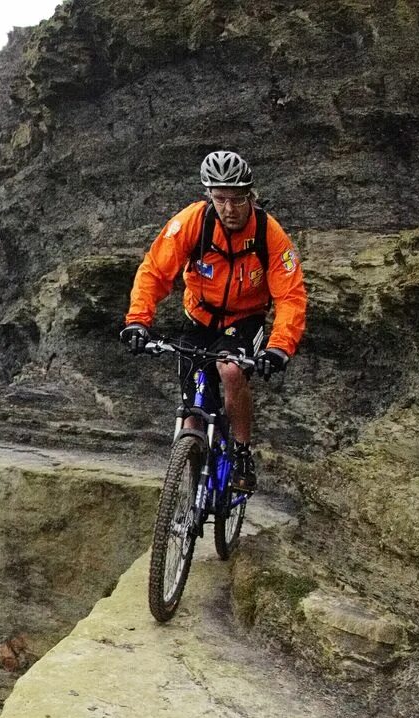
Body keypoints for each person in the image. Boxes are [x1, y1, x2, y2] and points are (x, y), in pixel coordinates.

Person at [120, 150, 307, 494]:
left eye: (237, 200)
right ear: (209, 196)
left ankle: (241, 453)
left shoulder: (269, 234)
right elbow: (154, 271)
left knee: (230, 370)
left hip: (244, 319)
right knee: (192, 410)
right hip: (200, 318)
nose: (229, 209)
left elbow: (290, 296)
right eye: (220, 199)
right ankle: (187, 493)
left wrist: (279, 347)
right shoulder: (194, 221)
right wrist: (137, 321)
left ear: (250, 196)